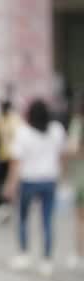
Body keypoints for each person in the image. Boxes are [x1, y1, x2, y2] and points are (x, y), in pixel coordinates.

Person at [3, 99, 66, 277]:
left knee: (23, 218)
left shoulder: (23, 132)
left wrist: (10, 184)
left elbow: (16, 162)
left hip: (29, 180)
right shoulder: (57, 130)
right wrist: (61, 175)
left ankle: (24, 254)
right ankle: (47, 259)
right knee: (47, 221)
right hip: (49, 179)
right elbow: (62, 155)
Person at [0, 100, 20, 221]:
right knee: (0, 183)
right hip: (0, 157)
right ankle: (3, 206)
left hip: (12, 157)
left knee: (10, 182)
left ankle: (8, 205)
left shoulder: (15, 121)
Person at [66, 101, 84, 269]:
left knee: (80, 218)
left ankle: (79, 253)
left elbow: (72, 149)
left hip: (81, 177)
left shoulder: (78, 123)